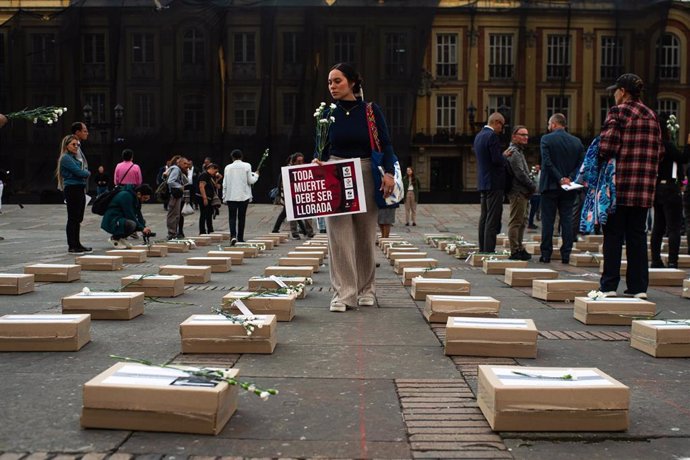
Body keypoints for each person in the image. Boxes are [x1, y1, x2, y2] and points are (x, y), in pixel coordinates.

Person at [316, 62, 395, 312]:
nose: (332, 86)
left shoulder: (370, 111)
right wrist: (317, 161)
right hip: (334, 171)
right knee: (338, 237)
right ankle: (343, 294)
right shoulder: (326, 115)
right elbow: (320, 148)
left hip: (364, 171)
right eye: (329, 82)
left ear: (351, 82)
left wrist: (390, 173)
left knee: (364, 234)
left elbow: (386, 144)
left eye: (337, 81)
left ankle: (366, 289)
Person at [599, 73, 664, 299]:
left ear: (623, 91)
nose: (614, 95)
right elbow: (660, 151)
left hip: (619, 187)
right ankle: (638, 288)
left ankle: (608, 286)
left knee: (613, 236)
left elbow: (607, 146)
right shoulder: (652, 115)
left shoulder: (618, 112)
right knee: (637, 237)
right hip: (644, 189)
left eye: (616, 91)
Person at [538, 113, 585, 264]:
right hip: (569, 187)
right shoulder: (577, 142)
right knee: (567, 220)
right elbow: (581, 165)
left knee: (548, 221)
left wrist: (559, 178)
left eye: (548, 124)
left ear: (553, 124)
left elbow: (547, 162)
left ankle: (546, 254)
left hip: (550, 186)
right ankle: (566, 254)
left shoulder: (546, 139)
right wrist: (569, 177)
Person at [650, 125, 690, 268]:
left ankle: (655, 260)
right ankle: (673, 261)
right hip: (670, 188)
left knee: (658, 227)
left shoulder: (652, 145)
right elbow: (683, 158)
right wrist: (688, 144)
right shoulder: (667, 145)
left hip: (656, 187)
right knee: (674, 227)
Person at [474, 112, 506, 253]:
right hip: (494, 182)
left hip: (483, 181)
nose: (502, 129)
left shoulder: (479, 135)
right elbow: (496, 160)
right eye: (502, 125)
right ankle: (489, 250)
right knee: (492, 218)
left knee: (484, 217)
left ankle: (482, 248)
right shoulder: (492, 136)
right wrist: (504, 157)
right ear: (497, 122)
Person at [55, 134, 92, 254]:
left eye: (78, 144)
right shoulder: (66, 158)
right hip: (72, 189)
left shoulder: (74, 158)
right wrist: (84, 172)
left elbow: (83, 171)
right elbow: (81, 173)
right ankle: (72, 245)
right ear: (66, 146)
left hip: (79, 188)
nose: (76, 147)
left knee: (78, 218)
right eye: (73, 144)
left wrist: (84, 172)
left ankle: (77, 243)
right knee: (73, 218)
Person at [504, 125, 535, 260]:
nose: (525, 137)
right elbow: (520, 174)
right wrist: (532, 186)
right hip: (517, 192)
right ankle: (514, 250)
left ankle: (520, 247)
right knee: (516, 221)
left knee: (523, 221)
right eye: (522, 135)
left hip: (523, 192)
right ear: (514, 137)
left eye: (526, 135)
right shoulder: (514, 152)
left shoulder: (519, 151)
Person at [222, 149, 259, 245]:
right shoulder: (247, 166)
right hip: (244, 196)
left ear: (232, 157)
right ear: (241, 157)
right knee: (241, 217)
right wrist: (256, 176)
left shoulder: (227, 167)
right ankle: (240, 237)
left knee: (232, 217)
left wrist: (224, 196)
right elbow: (250, 181)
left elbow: (224, 183)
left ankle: (233, 236)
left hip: (231, 196)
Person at [271, 153, 311, 237]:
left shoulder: (303, 169)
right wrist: (280, 194)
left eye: (302, 161)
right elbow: (280, 183)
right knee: (291, 213)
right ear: (294, 161)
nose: (301, 163)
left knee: (297, 213)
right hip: (290, 195)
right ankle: (299, 232)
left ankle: (305, 231)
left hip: (301, 194)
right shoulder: (287, 170)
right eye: (298, 161)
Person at [101, 184, 153, 248]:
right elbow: (130, 215)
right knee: (132, 224)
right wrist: (142, 228)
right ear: (139, 194)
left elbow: (139, 215)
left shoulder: (135, 197)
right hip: (112, 220)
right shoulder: (126, 196)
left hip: (120, 219)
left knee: (140, 223)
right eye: (145, 198)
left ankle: (121, 238)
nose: (145, 200)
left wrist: (144, 227)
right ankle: (114, 238)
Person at [166, 156, 189, 240]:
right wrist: (179, 186)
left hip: (177, 194)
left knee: (176, 214)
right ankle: (172, 233)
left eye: (187, 163)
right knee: (174, 214)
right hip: (174, 194)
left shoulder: (178, 169)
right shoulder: (176, 169)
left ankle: (173, 233)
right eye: (184, 163)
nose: (186, 165)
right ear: (178, 162)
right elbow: (170, 181)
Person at [198, 162, 220, 235]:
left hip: (209, 198)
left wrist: (218, 178)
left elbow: (215, 185)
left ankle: (210, 229)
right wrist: (204, 198)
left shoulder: (210, 176)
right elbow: (201, 186)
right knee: (203, 214)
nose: (215, 173)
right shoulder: (204, 175)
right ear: (211, 168)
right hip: (204, 197)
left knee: (209, 214)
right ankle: (202, 231)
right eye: (215, 171)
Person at [527, 164, 541, 229]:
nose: (537, 169)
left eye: (538, 168)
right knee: (533, 209)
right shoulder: (532, 174)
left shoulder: (541, 174)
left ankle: (536, 218)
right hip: (534, 194)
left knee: (537, 209)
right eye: (536, 168)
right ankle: (530, 223)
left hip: (539, 194)